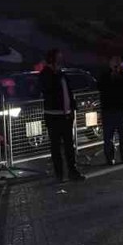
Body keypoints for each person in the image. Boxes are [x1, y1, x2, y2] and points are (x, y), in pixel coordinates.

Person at [38, 49, 85, 182]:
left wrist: (72, 108)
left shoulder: (61, 74)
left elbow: (68, 92)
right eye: (58, 58)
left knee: (69, 146)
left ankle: (72, 171)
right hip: (53, 116)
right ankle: (59, 174)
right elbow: (48, 89)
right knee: (56, 147)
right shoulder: (46, 74)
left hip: (66, 115)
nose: (61, 61)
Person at [97, 55, 123, 164]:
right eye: (114, 63)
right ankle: (109, 157)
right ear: (110, 64)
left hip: (122, 110)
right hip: (108, 110)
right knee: (108, 136)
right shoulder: (104, 77)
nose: (116, 65)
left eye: (118, 63)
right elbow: (100, 88)